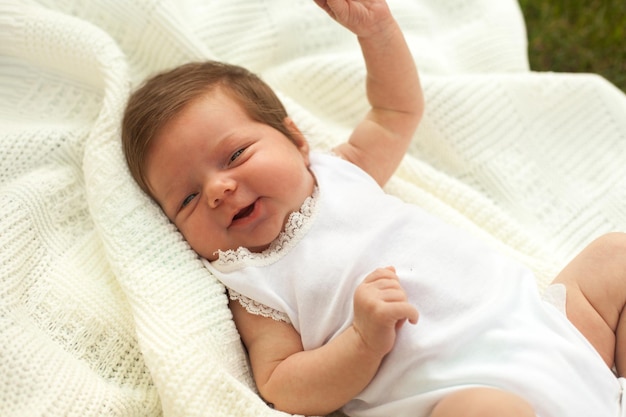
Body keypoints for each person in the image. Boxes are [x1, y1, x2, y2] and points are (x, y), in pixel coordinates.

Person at [121, 1, 626, 416]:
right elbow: (283, 385)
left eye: (235, 155)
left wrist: (377, 30)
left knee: (612, 258)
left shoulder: (345, 170)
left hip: (552, 330)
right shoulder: (252, 281)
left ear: (295, 140)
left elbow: (397, 109)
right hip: (470, 388)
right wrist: (361, 340)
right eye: (187, 199)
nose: (218, 189)